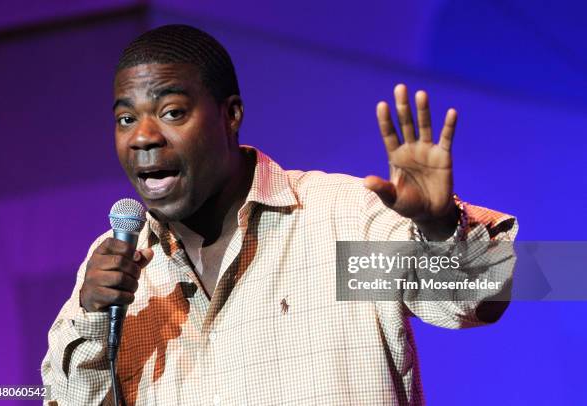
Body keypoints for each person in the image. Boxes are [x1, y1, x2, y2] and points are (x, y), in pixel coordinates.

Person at [41, 24, 517, 405]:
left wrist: (438, 227)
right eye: (126, 118)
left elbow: (475, 301)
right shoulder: (117, 270)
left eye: (171, 112)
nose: (143, 136)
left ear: (230, 115)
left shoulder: (338, 220)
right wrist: (91, 319)